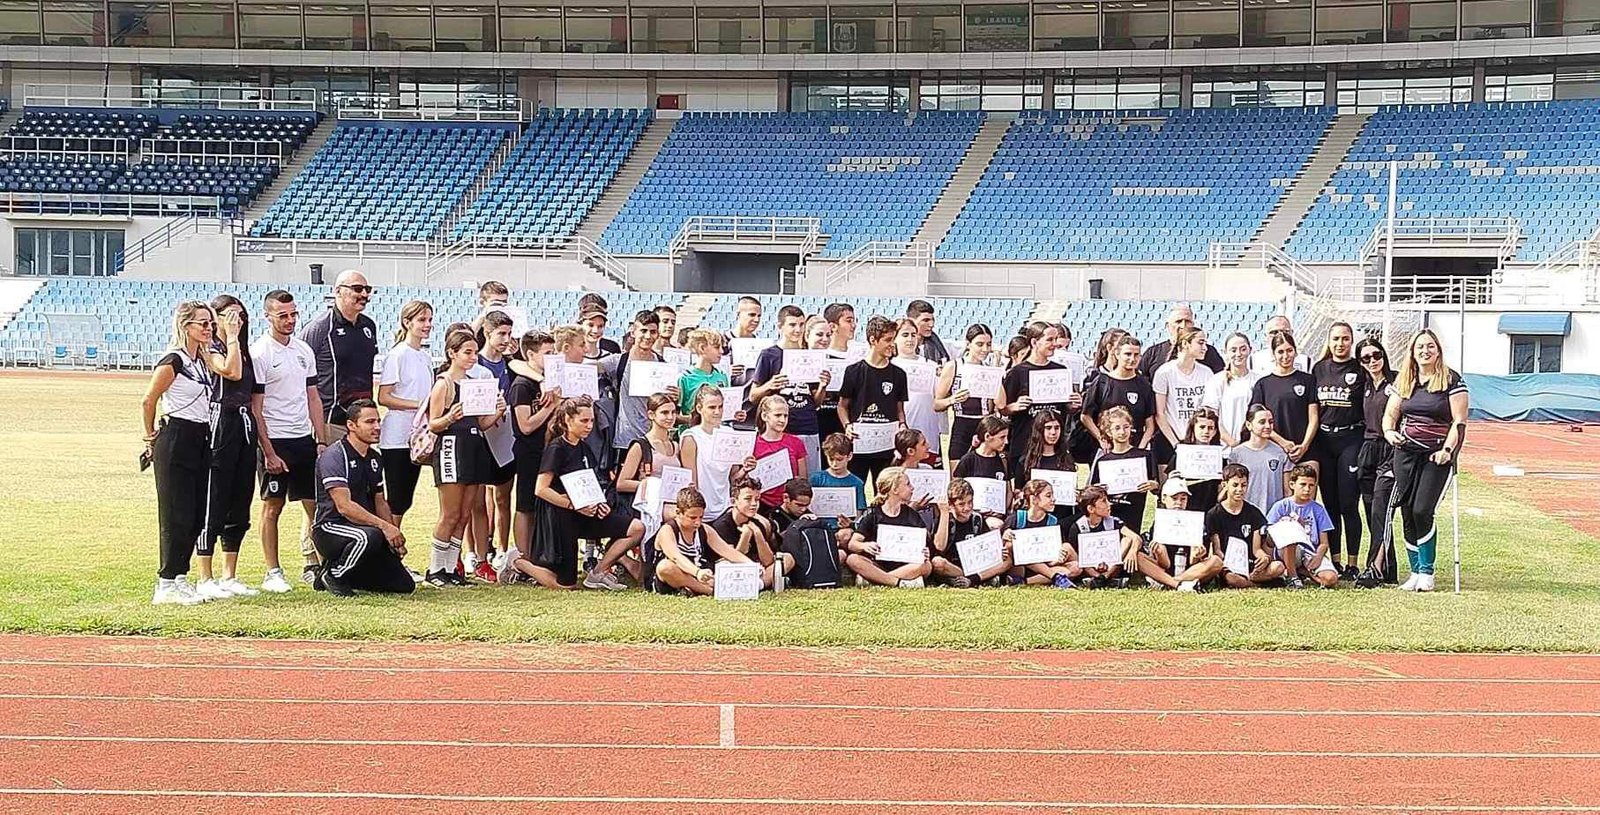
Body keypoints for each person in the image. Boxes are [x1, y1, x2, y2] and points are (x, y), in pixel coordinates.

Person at [143, 300, 225, 606]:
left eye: (211, 323)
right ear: (185, 326)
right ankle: (166, 581)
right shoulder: (173, 360)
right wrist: (150, 436)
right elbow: (149, 400)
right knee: (175, 511)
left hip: (200, 436)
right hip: (176, 434)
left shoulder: (201, 360)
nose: (209, 328)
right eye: (202, 323)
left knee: (195, 512)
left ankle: (180, 576)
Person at [252, 289, 328, 592]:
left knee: (316, 506)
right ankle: (273, 571)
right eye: (282, 315)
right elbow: (256, 407)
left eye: (293, 314)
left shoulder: (303, 351)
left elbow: (313, 397)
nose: (290, 320)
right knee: (273, 507)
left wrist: (320, 439)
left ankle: (325, 565)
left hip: (302, 439)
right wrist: (268, 450)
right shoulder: (261, 353)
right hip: (275, 439)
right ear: (268, 316)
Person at [1382, 329, 1469, 593]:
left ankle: (1427, 571)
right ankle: (1415, 572)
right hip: (1406, 453)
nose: (1425, 351)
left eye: (1430, 346)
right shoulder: (1405, 379)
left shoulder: (1451, 380)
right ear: (1412, 351)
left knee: (1422, 510)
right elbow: (1390, 415)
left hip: (1435, 456)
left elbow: (1459, 421)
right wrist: (1389, 433)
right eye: (1420, 347)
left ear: (1438, 350)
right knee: (1407, 510)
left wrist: (1447, 450)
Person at [534, 395, 647, 591]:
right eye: (584, 421)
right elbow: (541, 489)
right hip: (562, 516)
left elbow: (590, 482)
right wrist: (573, 505)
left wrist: (600, 504)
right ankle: (518, 562)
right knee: (567, 585)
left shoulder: (584, 447)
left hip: (588, 512)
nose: (589, 426)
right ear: (568, 420)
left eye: (592, 421)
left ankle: (599, 572)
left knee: (636, 528)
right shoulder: (556, 448)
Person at [423, 328, 505, 588]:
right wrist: (450, 417)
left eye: (474, 353)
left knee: (464, 514)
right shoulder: (444, 383)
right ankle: (435, 568)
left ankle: (450, 569)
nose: (472, 357)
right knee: (450, 513)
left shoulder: (472, 384)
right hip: (451, 447)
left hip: (473, 446)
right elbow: (433, 423)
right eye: (467, 352)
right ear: (452, 353)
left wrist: (497, 412)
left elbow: (480, 423)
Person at [309, 400, 414, 596]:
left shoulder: (375, 457)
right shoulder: (334, 456)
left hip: (365, 528)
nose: (377, 427)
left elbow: (380, 501)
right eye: (370, 422)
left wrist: (393, 534)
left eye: (378, 421)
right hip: (331, 527)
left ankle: (345, 572)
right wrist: (384, 527)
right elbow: (344, 507)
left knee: (404, 585)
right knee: (369, 536)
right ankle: (333, 575)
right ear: (351, 425)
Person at [198, 294, 258, 597]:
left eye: (241, 316)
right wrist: (231, 336)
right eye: (230, 315)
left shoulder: (244, 350)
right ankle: (204, 575)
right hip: (220, 421)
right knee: (215, 496)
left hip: (244, 422)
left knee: (240, 497)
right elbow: (230, 371)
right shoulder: (211, 348)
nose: (237, 321)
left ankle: (229, 574)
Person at [1312, 322, 1367, 578]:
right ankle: (1335, 560)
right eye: (1335, 338)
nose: (1340, 343)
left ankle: (1353, 563)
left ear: (1351, 340)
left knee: (1348, 503)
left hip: (1351, 439)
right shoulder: (1319, 368)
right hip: (1325, 441)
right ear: (1329, 341)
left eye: (1345, 338)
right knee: (1330, 505)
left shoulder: (1360, 368)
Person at [301, 270, 379, 446]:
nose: (364, 294)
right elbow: (300, 369)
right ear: (338, 291)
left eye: (367, 289)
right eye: (357, 289)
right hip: (332, 421)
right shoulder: (320, 328)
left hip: (362, 422)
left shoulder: (369, 326)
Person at [377, 300, 434, 536]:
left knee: (405, 498)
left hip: (418, 436)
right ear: (407, 322)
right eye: (422, 320)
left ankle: (391, 544)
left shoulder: (425, 357)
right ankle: (390, 542)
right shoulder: (397, 355)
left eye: (429, 320)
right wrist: (420, 404)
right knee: (397, 498)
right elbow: (384, 397)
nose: (427, 325)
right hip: (398, 436)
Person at [468, 309, 517, 582]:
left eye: (509, 334)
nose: (506, 339)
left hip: (503, 436)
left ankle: (502, 548)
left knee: (502, 497)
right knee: (474, 500)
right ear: (487, 333)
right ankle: (473, 552)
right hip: (478, 437)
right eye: (501, 334)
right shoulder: (474, 364)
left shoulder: (512, 364)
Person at [505, 330, 558, 580]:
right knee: (525, 504)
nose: (552, 357)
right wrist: (550, 407)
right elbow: (525, 425)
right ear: (530, 354)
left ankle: (537, 555)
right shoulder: (522, 385)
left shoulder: (549, 381)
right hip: (528, 450)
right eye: (547, 353)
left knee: (541, 504)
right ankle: (523, 558)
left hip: (548, 450)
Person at [751, 304, 827, 471]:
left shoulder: (810, 355)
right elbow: (753, 396)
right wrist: (770, 385)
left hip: (808, 427)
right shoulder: (769, 355)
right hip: (782, 429)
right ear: (780, 326)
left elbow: (816, 402)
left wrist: (822, 386)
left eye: (801, 324)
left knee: (808, 478)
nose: (798, 329)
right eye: (792, 324)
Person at [998, 322, 1079, 470]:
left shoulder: (1061, 371)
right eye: (1050, 340)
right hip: (1025, 445)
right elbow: (1002, 409)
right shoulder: (1017, 373)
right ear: (1034, 342)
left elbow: (1066, 409)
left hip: (1053, 447)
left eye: (1056, 339)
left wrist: (1073, 405)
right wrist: (1014, 406)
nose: (1055, 344)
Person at [838, 315, 908, 484]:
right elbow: (842, 406)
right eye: (887, 340)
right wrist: (847, 426)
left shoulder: (899, 374)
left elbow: (899, 409)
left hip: (886, 445)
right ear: (873, 340)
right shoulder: (854, 371)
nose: (892, 344)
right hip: (860, 444)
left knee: (885, 489)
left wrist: (902, 425)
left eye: (893, 339)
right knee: (856, 488)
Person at [1353, 337, 1399, 587]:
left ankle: (1375, 568)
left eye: (1376, 355)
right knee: (1372, 511)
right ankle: (1389, 569)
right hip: (1368, 449)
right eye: (1366, 358)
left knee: (1382, 508)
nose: (1372, 361)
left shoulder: (1398, 381)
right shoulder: (1363, 385)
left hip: (1390, 449)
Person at [605, 310, 677, 466]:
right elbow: (588, 368)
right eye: (643, 331)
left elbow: (668, 403)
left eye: (653, 332)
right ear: (633, 332)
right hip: (626, 440)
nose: (648, 336)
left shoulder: (664, 366)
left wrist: (674, 396)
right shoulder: (618, 361)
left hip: (654, 441)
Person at [652, 487, 750, 596]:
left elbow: (727, 551)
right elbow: (676, 557)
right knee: (665, 567)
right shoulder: (668, 530)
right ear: (678, 512)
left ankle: (696, 588)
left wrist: (751, 565)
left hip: (699, 574)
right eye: (692, 518)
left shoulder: (704, 529)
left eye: (701, 517)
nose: (698, 522)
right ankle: (709, 591)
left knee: (725, 563)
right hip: (673, 578)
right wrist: (697, 572)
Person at [845, 467, 932, 588]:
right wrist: (865, 546)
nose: (912, 488)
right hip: (877, 564)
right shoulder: (873, 514)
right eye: (908, 484)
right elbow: (852, 544)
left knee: (926, 566)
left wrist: (924, 551)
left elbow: (924, 544)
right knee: (852, 559)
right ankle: (898, 582)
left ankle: (875, 579)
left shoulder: (912, 515)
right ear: (895, 490)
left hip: (905, 565)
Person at [617, 393, 683, 547]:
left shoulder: (675, 446)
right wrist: (654, 484)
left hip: (673, 501)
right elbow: (622, 483)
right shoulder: (640, 446)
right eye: (664, 413)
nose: (670, 417)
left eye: (673, 412)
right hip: (651, 505)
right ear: (651, 415)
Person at [681, 386, 755, 521]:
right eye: (712, 407)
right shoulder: (691, 437)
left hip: (726, 508)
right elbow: (691, 482)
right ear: (699, 408)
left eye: (720, 407)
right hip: (702, 512)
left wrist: (745, 469)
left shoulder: (730, 433)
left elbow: (733, 478)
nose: (717, 412)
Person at [1206, 464, 1284, 589]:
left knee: (1278, 567)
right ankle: (1255, 584)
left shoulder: (1254, 512)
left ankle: (1250, 580)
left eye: (1243, 485)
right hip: (1229, 565)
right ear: (1225, 485)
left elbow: (1256, 549)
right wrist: (1226, 565)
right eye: (1235, 485)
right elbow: (1217, 550)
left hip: (1250, 564)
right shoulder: (1214, 514)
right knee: (1232, 578)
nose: (1240, 489)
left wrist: (1263, 557)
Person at [1152, 326, 1215, 480]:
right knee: (1169, 488)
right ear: (1186, 343)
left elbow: (1209, 411)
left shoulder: (1206, 373)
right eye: (1200, 342)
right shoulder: (1164, 372)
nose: (1205, 348)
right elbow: (1160, 413)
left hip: (1199, 442)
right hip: (1169, 441)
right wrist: (1176, 444)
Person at [1250, 331, 1320, 467]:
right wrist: (1282, 442)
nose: (1286, 356)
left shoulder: (1308, 380)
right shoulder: (1263, 384)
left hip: (1306, 450)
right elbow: (1257, 421)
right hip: (1274, 450)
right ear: (1273, 354)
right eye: (1280, 352)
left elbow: (1314, 418)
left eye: (1289, 350)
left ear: (1295, 351)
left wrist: (1304, 445)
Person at [1139, 478, 1222, 592]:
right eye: (1174, 498)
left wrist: (1197, 554)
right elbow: (1166, 564)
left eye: (1183, 499)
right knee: (1138, 557)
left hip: (1190, 571)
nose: (1179, 502)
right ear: (1164, 498)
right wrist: (1159, 552)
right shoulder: (1160, 522)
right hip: (1166, 568)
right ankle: (1178, 584)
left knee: (1216, 561)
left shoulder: (1194, 521)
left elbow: (1192, 562)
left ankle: (1173, 582)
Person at [1266, 464, 1340, 589]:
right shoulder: (1281, 506)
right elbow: (1269, 537)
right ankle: (1292, 576)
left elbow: (1324, 543)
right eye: (1303, 484)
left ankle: (1303, 571)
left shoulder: (1318, 509)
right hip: (1287, 550)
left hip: (1309, 551)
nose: (1307, 489)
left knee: (1330, 579)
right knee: (1291, 533)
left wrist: (1318, 556)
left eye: (1311, 485)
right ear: (1292, 484)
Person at [1081, 334, 1156, 455]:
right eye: (1128, 354)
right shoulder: (1102, 382)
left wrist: (1140, 449)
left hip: (1136, 448)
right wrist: (1101, 439)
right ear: (1117, 354)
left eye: (1136, 355)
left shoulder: (1144, 385)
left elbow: (1150, 424)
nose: (1132, 359)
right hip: (1108, 451)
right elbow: (1085, 416)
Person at [1086, 405, 1158, 532]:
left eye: (1126, 427)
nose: (1122, 432)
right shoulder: (1103, 461)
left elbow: (1157, 487)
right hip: (1109, 515)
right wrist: (1098, 489)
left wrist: (1153, 485)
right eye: (1117, 428)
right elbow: (1091, 492)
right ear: (1109, 432)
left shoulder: (1144, 456)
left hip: (1134, 513)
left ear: (1131, 428)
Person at [709, 476, 790, 587]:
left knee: (788, 559)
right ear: (733, 501)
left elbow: (768, 562)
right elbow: (731, 561)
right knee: (726, 564)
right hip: (733, 572)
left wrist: (758, 534)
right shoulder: (722, 525)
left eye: (757, 499)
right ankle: (757, 584)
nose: (754, 504)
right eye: (748, 499)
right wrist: (745, 536)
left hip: (757, 569)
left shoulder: (757, 522)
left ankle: (759, 584)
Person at [929, 477, 1008, 587]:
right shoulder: (946, 519)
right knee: (937, 563)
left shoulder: (977, 519)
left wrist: (999, 552)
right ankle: (970, 578)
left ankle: (972, 580)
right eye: (961, 504)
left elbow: (988, 545)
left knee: (1007, 559)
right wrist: (944, 513)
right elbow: (939, 547)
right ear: (951, 505)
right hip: (953, 566)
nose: (967, 508)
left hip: (976, 565)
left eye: (970, 502)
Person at [1064, 485, 1142, 589]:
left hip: (1112, 566)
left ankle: (1105, 578)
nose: (1109, 504)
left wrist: (1132, 552)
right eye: (1104, 501)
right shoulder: (1078, 528)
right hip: (1089, 568)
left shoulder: (1113, 522)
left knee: (1126, 540)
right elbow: (1078, 556)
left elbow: (1135, 537)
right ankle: (1098, 578)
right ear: (1091, 509)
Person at [1004, 479, 1077, 588]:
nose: (1053, 499)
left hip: (1045, 566)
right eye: (1048, 496)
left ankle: (1024, 582)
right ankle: (1054, 577)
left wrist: (1058, 557)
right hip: (1021, 567)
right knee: (1012, 545)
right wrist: (1005, 536)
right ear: (1034, 499)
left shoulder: (1052, 522)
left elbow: (1055, 550)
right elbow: (1004, 549)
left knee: (1075, 567)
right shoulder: (1017, 518)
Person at [942, 323, 994, 459]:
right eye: (980, 344)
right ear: (968, 344)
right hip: (961, 425)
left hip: (984, 426)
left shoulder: (989, 369)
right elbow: (937, 404)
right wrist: (952, 400)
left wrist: (996, 375)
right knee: (958, 469)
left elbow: (997, 405)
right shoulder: (954, 366)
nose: (985, 349)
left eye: (988, 344)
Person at [1227, 404, 1291, 513]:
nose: (1268, 426)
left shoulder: (1280, 453)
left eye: (1270, 422)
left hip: (1273, 516)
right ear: (1249, 425)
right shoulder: (1236, 454)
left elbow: (1287, 491)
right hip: (1245, 515)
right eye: (1262, 422)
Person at [1201, 332, 1261, 448]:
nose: (1238, 354)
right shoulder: (1217, 381)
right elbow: (1212, 416)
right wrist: (1232, 442)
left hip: (1253, 447)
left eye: (1243, 349)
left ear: (1250, 350)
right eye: (1233, 350)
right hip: (1224, 448)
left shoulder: (1258, 380)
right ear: (1225, 352)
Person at [752, 395, 808, 513]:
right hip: (761, 503)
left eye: (785, 416)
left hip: (788, 505)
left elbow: (802, 479)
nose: (782, 420)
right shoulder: (752, 444)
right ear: (764, 416)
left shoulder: (796, 442)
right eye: (777, 415)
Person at [1138, 304, 1225, 379]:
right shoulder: (1152, 353)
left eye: (1187, 321)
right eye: (1178, 321)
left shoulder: (1208, 352)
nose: (1183, 325)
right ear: (1168, 326)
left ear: (1193, 324)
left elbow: (1220, 379)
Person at [1018, 407, 1074, 524]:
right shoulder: (1026, 461)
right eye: (1048, 428)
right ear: (1039, 430)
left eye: (1057, 428)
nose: (1053, 432)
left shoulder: (1067, 459)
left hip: (1063, 518)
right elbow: (1019, 489)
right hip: (1036, 519)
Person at [810, 432, 867, 546]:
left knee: (845, 535)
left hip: (841, 529)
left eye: (839, 459)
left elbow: (859, 512)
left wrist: (850, 523)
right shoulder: (816, 479)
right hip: (818, 526)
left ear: (849, 456)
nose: (834, 464)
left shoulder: (856, 483)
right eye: (831, 459)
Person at [817, 302, 857, 443]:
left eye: (854, 320)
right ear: (833, 326)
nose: (853, 325)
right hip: (823, 417)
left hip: (849, 418)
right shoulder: (820, 355)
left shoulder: (857, 355)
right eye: (848, 321)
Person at [952, 414, 1012, 506]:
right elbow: (956, 489)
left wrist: (1001, 510)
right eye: (1002, 437)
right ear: (987, 436)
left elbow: (1008, 492)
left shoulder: (1004, 461)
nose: (1006, 442)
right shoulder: (968, 460)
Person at [1173, 407, 1224, 513]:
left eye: (1210, 428)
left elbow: (1221, 492)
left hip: (1210, 508)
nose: (1206, 431)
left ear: (1215, 431)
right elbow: (1167, 487)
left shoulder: (1220, 459)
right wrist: (1171, 479)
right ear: (1193, 428)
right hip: (1185, 508)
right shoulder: (1181, 455)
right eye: (1202, 427)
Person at [677, 328, 730, 420]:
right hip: (692, 428)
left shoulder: (722, 376)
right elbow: (675, 415)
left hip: (716, 428)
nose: (721, 351)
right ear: (702, 348)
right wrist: (696, 420)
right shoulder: (685, 378)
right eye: (717, 347)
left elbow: (727, 408)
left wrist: (735, 414)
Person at [724, 296, 763, 390]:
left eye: (759, 316)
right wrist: (726, 371)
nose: (756, 320)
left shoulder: (761, 345)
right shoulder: (722, 341)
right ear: (738, 315)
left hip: (754, 397)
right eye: (752, 315)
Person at [906, 299, 952, 364]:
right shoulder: (897, 347)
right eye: (925, 320)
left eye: (932, 320)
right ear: (911, 321)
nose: (931, 324)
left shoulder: (942, 347)